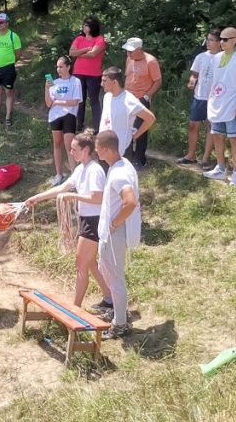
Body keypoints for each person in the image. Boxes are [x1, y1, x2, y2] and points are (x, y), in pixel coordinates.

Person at [25, 131, 113, 310]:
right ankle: (109, 298)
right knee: (89, 263)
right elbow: (62, 188)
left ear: (86, 150)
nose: (70, 152)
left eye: (74, 149)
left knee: (80, 264)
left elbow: (98, 198)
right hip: (87, 220)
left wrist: (74, 197)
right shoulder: (81, 168)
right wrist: (37, 198)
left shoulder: (94, 170)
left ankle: (75, 309)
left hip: (94, 221)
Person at [94, 130, 141, 339]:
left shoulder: (119, 174)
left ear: (105, 149)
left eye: (97, 148)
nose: (96, 152)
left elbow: (130, 202)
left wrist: (114, 223)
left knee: (115, 279)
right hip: (116, 233)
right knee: (113, 276)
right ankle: (119, 314)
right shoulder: (123, 165)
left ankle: (120, 324)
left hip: (114, 235)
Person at [203, 26, 236, 187]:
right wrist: (209, 101)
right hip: (217, 102)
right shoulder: (215, 58)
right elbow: (213, 81)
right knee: (216, 134)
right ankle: (220, 168)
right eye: (220, 39)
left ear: (235, 40)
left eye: (225, 39)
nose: (221, 42)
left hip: (232, 103)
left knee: (234, 138)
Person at [177, 28, 222, 169]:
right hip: (199, 95)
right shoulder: (201, 57)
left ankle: (205, 159)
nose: (207, 42)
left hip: (215, 97)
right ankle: (191, 155)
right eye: (207, 39)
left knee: (211, 127)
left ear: (220, 42)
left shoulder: (223, 58)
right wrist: (192, 80)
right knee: (193, 124)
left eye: (211, 40)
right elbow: (195, 74)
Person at [99, 67, 156, 159]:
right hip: (104, 146)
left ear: (115, 82)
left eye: (104, 81)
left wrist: (135, 135)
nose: (101, 84)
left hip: (121, 149)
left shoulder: (129, 100)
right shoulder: (107, 97)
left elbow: (150, 118)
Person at [122, 37, 162, 168]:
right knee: (126, 127)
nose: (129, 53)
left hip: (140, 99)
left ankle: (139, 159)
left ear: (139, 49)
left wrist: (147, 96)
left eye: (131, 51)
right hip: (127, 97)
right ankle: (127, 155)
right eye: (128, 51)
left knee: (140, 129)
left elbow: (157, 81)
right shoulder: (129, 59)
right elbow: (127, 76)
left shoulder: (151, 61)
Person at [44, 55, 82, 186]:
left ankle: (74, 177)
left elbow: (75, 101)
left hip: (69, 115)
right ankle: (59, 174)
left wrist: (58, 102)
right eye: (57, 67)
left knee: (70, 146)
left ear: (68, 67)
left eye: (61, 67)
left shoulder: (75, 81)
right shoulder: (54, 83)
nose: (58, 69)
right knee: (57, 144)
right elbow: (49, 103)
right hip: (54, 116)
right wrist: (46, 88)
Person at [69, 15, 107, 133]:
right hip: (78, 72)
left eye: (86, 25)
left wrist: (78, 53)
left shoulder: (99, 39)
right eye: (83, 25)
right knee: (80, 99)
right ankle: (79, 124)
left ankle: (97, 126)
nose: (84, 27)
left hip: (94, 74)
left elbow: (93, 54)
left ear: (92, 27)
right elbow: (71, 52)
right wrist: (85, 50)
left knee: (94, 100)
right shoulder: (79, 39)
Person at [0, 12, 22, 127]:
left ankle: (8, 117)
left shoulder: (14, 36)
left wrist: (9, 62)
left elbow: (18, 54)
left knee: (8, 92)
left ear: (7, 23)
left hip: (8, 69)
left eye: (2, 22)